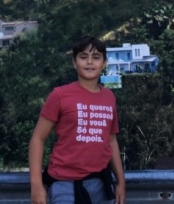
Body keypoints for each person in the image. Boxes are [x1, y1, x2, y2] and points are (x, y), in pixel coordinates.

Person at [29, 36, 126, 204]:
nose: (90, 62)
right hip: (65, 185)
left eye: (96, 57)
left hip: (101, 184)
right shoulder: (59, 95)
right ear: (74, 62)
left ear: (104, 63)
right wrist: (36, 185)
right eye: (83, 57)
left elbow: (111, 140)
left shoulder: (109, 97)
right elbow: (38, 138)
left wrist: (121, 181)